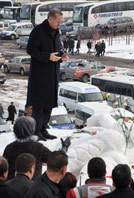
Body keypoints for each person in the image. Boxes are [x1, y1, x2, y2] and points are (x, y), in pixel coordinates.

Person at [26, 8, 69, 141]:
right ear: (50, 19)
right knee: (39, 105)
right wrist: (48, 57)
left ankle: (43, 129)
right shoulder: (38, 31)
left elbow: (55, 50)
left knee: (49, 105)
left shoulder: (56, 32)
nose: (59, 24)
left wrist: (61, 57)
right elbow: (31, 50)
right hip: (40, 76)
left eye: (61, 22)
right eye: (58, 21)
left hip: (53, 74)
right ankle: (36, 131)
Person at [3, 116, 70, 181]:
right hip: (32, 189)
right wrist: (64, 147)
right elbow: (57, 160)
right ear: (31, 130)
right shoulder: (37, 148)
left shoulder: (9, 148)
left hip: (11, 187)